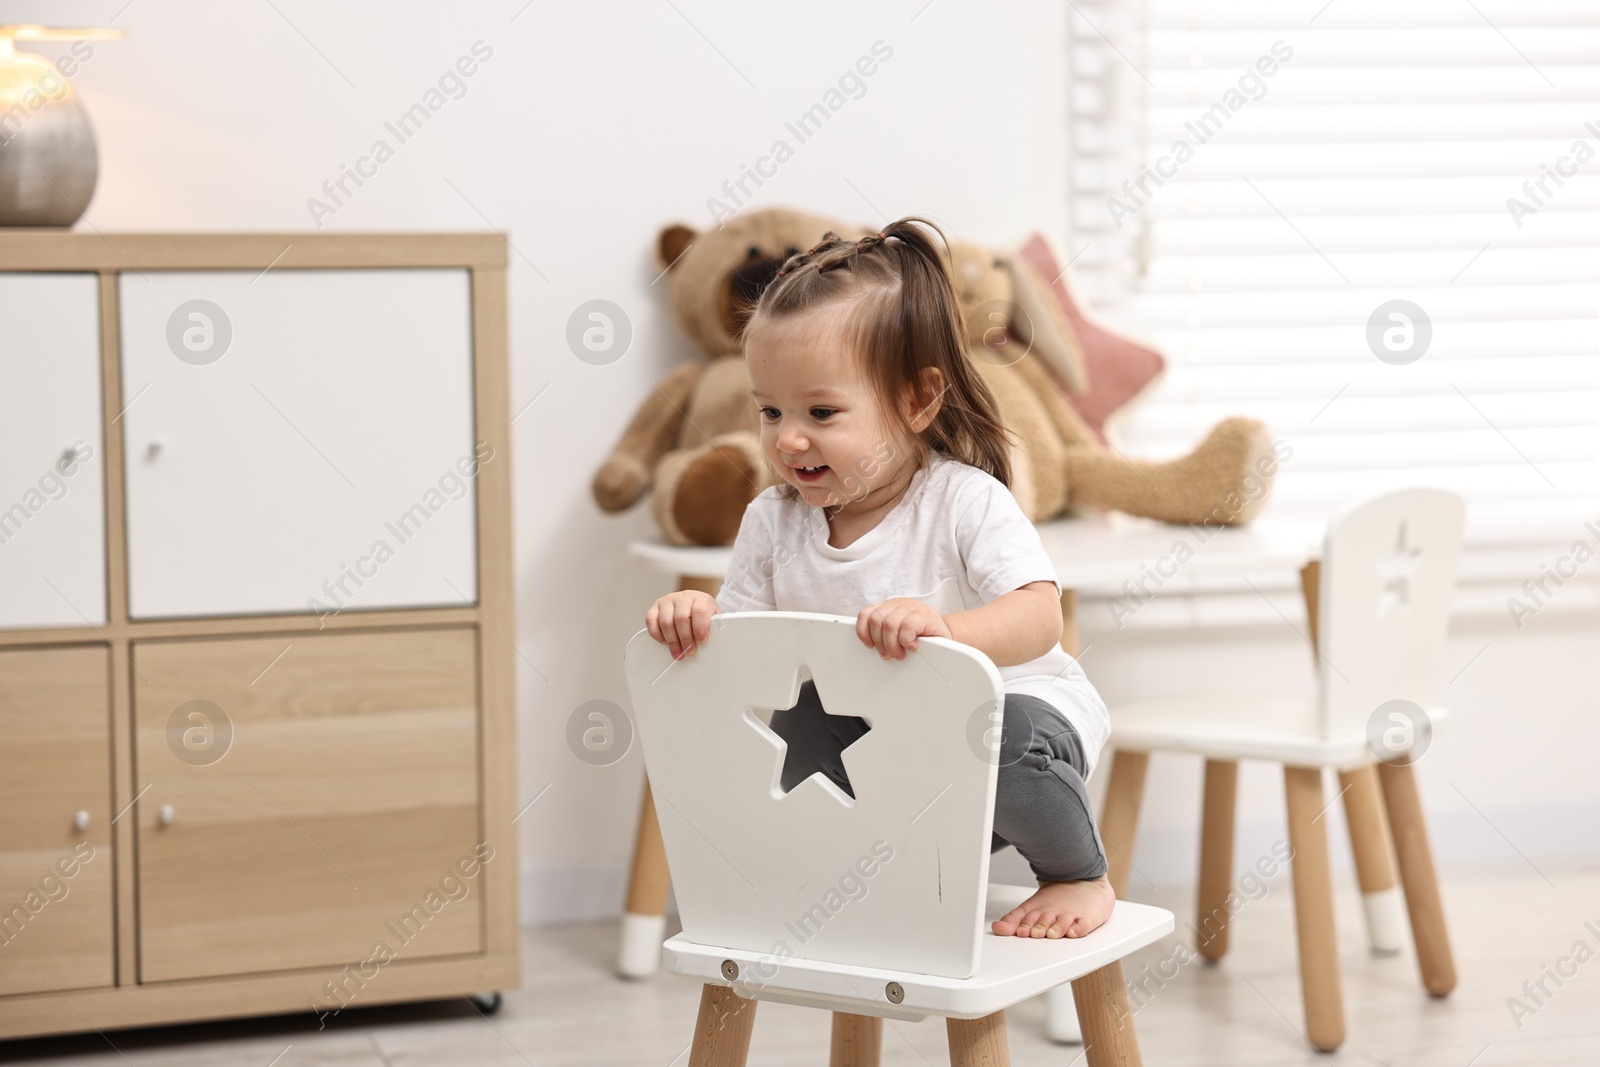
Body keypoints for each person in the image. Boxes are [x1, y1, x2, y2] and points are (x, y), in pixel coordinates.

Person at [644, 217, 1113, 940]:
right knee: (769, 766)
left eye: (821, 412)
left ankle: (1077, 871)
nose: (787, 437)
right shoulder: (772, 521)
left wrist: (948, 633)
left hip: (1007, 724)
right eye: (770, 410)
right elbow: (742, 650)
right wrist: (696, 620)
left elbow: (1041, 617)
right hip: (879, 755)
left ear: (917, 400)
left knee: (1002, 733)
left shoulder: (962, 499)